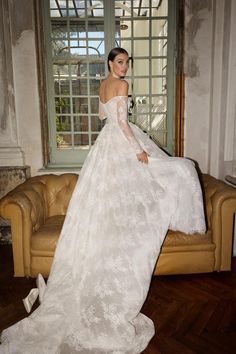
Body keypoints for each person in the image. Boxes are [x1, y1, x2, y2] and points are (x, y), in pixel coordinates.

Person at [0, 47, 206, 354]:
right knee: (179, 168)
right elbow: (123, 124)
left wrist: (117, 117)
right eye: (120, 62)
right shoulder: (121, 86)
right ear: (110, 63)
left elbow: (101, 115)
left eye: (127, 62)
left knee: (110, 196)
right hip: (120, 141)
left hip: (103, 146)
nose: (125, 67)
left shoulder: (102, 85)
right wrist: (137, 148)